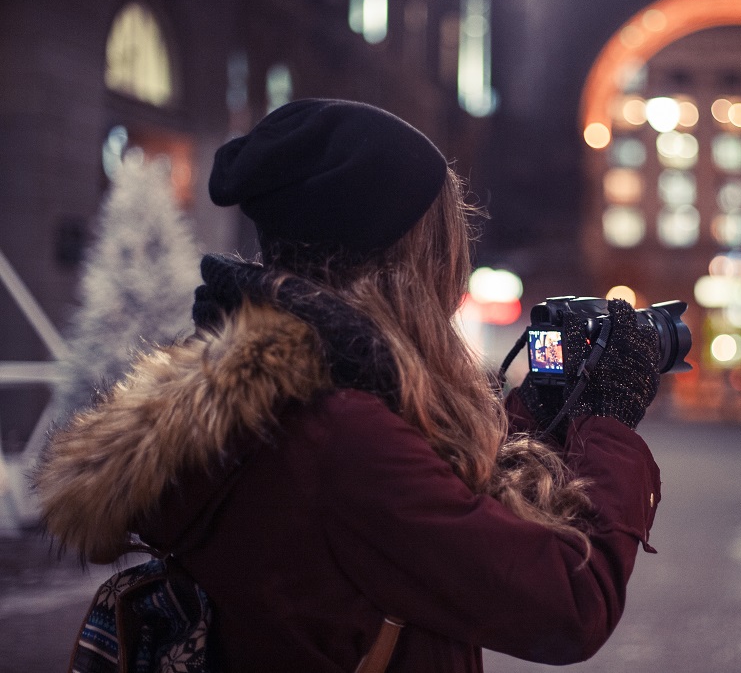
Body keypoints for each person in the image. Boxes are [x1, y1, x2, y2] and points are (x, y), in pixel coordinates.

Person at [34, 99, 662, 672]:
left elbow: (433, 516)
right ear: (405, 257)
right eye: (445, 236)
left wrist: (543, 408)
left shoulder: (279, 400)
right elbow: (567, 607)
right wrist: (606, 421)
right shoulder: (337, 437)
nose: (456, 264)